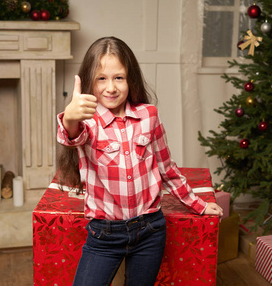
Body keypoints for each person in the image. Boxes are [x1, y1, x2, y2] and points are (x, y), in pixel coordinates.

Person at [56, 36, 223, 286]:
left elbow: (167, 168)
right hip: (105, 234)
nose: (110, 87)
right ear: (90, 80)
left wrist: (198, 204)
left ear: (130, 78)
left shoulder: (148, 115)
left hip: (150, 230)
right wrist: (69, 118)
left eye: (118, 78)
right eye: (102, 78)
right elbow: (70, 136)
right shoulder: (86, 122)